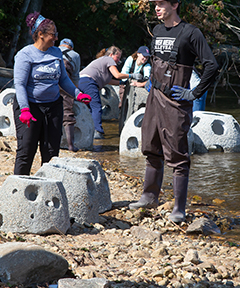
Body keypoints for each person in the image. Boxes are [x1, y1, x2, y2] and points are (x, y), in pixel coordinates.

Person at [128, 0, 219, 223]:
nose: (156, 8)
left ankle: (179, 208)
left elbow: (211, 65)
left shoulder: (191, 33)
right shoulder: (156, 32)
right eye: (155, 4)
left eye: (161, 3)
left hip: (177, 103)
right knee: (150, 145)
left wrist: (194, 93)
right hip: (154, 98)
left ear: (175, 4)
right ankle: (149, 196)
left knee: (178, 155)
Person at [13, 12, 91, 175]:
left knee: (51, 152)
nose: (56, 38)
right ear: (40, 35)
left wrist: (78, 94)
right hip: (30, 107)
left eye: (56, 34)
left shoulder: (56, 53)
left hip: (53, 106)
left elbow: (63, 79)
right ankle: (19, 190)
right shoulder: (25, 55)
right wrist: (25, 109)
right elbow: (19, 85)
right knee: (27, 150)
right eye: (53, 34)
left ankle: (47, 189)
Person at [79, 46, 143, 139]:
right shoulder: (109, 59)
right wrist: (132, 75)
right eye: (118, 57)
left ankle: (88, 132)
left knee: (90, 108)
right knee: (96, 107)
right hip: (89, 82)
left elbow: (108, 81)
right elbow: (117, 75)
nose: (118, 60)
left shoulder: (102, 62)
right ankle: (97, 132)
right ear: (111, 54)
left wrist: (122, 83)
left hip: (81, 82)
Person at [59, 38, 81, 152]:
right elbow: (76, 76)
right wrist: (75, 92)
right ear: (71, 47)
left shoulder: (53, 50)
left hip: (49, 80)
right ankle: (71, 146)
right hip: (65, 81)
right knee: (67, 113)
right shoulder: (75, 55)